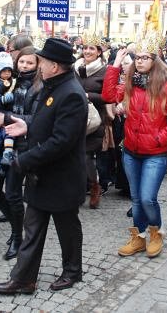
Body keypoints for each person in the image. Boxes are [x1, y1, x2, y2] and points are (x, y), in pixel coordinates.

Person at [0, 38, 87, 294]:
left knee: (67, 227)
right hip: (42, 175)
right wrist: (27, 125)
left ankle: (72, 271)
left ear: (54, 66)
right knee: (32, 228)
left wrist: (23, 160)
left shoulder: (72, 94)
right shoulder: (52, 85)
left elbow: (61, 141)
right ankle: (23, 279)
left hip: (62, 178)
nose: (39, 65)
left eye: (42, 61)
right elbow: (45, 120)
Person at [101, 39, 167, 259]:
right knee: (137, 199)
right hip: (131, 151)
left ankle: (156, 233)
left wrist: (160, 138)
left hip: (155, 154)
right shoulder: (131, 83)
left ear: (155, 60)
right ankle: (138, 238)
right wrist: (116, 63)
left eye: (145, 57)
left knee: (148, 198)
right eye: (137, 57)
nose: (139, 61)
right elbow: (108, 96)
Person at [0, 46, 42, 260]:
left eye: (30, 63)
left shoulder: (39, 86)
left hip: (21, 147)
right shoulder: (7, 80)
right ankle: (15, 225)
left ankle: (17, 237)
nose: (25, 66)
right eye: (22, 62)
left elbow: (38, 119)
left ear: (37, 64)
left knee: (13, 194)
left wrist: (7, 118)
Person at [74, 33, 107, 209]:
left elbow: (108, 96)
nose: (87, 51)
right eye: (85, 48)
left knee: (86, 156)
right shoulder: (75, 67)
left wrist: (87, 95)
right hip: (75, 116)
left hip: (94, 118)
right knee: (74, 156)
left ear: (99, 52)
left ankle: (94, 185)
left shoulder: (105, 70)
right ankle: (77, 191)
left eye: (91, 48)